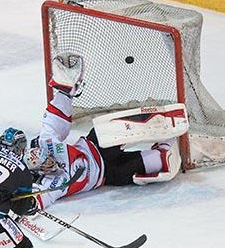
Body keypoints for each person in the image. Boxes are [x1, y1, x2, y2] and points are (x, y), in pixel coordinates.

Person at [23, 52, 183, 210]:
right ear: (39, 171)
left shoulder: (48, 143)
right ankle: (162, 154)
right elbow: (43, 196)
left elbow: (53, 121)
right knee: (124, 172)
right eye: (47, 165)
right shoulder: (51, 183)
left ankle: (154, 124)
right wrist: (29, 204)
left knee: (106, 133)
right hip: (105, 174)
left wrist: (65, 92)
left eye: (48, 159)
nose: (52, 162)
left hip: (96, 147)